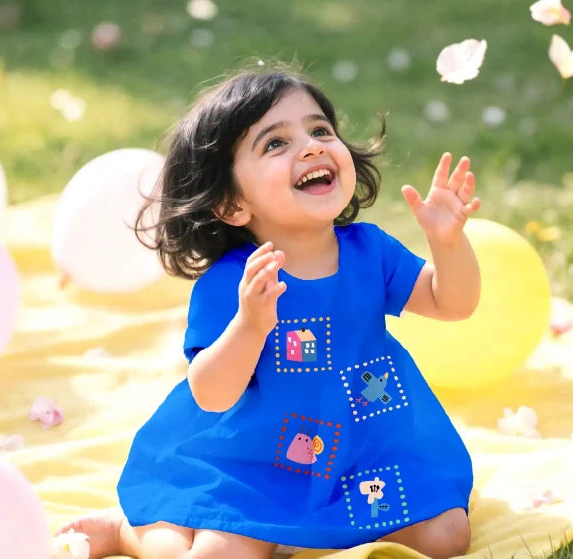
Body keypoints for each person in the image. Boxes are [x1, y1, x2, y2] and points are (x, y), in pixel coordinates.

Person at [57, 64, 482, 559]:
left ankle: (318, 528)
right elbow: (212, 394)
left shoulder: (370, 251)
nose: (311, 146)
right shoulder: (231, 283)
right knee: (209, 556)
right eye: (275, 144)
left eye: (320, 129)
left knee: (448, 537)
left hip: (362, 452)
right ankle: (126, 531)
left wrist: (447, 243)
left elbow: (453, 303)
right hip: (253, 461)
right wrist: (250, 326)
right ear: (233, 205)